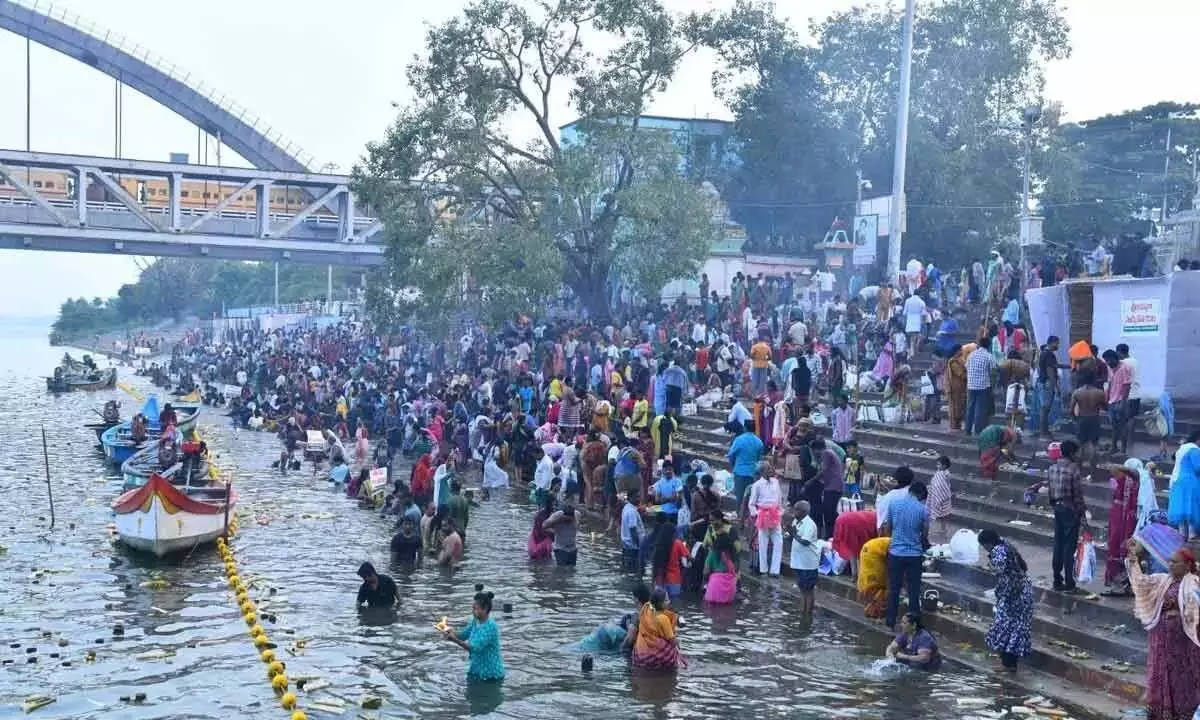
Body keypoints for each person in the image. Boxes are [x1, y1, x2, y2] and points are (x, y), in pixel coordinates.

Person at [1125, 538, 1200, 719]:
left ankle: (1184, 712)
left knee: (1181, 678)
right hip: (1160, 641)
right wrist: (1133, 558)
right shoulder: (1163, 580)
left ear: (1187, 565)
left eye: (1175, 562)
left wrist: (1181, 612)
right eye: (1170, 562)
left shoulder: (1195, 583)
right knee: (1160, 673)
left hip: (1183, 646)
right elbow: (1141, 582)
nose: (1170, 565)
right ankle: (1160, 711)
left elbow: (1195, 610)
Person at [977, 530, 1033, 672]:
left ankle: (1008, 664)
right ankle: (1007, 663)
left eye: (984, 547)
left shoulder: (998, 550)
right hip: (1019, 593)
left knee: (1008, 627)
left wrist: (990, 567)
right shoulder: (1006, 546)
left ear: (988, 544)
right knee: (1012, 627)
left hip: (1017, 596)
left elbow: (1000, 567)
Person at [883, 481, 928, 630]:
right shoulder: (923, 510)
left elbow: (888, 527)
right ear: (921, 495)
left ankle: (890, 621)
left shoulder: (894, 504)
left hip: (895, 553)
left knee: (894, 588)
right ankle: (915, 624)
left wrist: (895, 541)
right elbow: (924, 534)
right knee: (913, 590)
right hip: (914, 554)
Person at [442, 591, 506, 683]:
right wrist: (450, 631)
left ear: (485, 609)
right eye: (472, 608)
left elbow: (474, 648)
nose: (472, 611)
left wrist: (454, 640)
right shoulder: (475, 621)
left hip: (491, 676)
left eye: (475, 608)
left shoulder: (491, 627)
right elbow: (462, 636)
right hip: (476, 671)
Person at [1048, 440, 1087, 593]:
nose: (1079, 455)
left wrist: (1054, 505)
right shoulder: (1073, 469)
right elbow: (1077, 494)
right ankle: (1070, 582)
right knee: (1069, 546)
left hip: (1057, 507)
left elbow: (1051, 491)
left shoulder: (1052, 468)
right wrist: (1082, 510)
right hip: (1070, 509)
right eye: (1077, 452)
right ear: (1072, 453)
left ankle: (1057, 580)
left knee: (1058, 544)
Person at [631, 588, 684, 670]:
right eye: (666, 600)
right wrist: (677, 644)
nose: (669, 602)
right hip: (658, 656)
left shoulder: (645, 609)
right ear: (661, 604)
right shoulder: (664, 619)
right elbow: (671, 639)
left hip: (642, 654)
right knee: (677, 656)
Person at [748, 462, 784, 576]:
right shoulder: (757, 485)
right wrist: (757, 514)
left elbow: (779, 499)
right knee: (763, 542)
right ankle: (763, 569)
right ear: (762, 472)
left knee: (779, 541)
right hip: (762, 514)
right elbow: (751, 503)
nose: (771, 470)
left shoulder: (776, 482)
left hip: (774, 514)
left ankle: (775, 570)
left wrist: (780, 512)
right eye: (768, 469)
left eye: (771, 468)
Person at [789, 500, 820, 615]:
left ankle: (808, 613)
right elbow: (791, 535)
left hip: (808, 563)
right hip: (798, 562)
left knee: (808, 590)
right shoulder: (796, 522)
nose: (794, 512)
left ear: (803, 511)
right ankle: (804, 610)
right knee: (802, 588)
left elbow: (805, 542)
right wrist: (788, 530)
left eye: (796, 510)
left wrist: (794, 534)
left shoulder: (810, 524)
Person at [727, 421, 765, 514]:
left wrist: (733, 466)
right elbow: (759, 458)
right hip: (753, 473)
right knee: (751, 497)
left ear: (745, 428)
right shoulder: (759, 442)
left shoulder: (739, 439)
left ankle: (739, 516)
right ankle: (748, 517)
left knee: (740, 497)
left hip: (740, 472)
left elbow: (731, 455)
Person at [1168, 442, 1200, 542]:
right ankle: (1191, 533)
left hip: (1177, 480)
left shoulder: (1181, 449)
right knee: (1191, 505)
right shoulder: (1194, 449)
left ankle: (1182, 533)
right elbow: (1198, 467)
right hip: (1190, 480)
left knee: (1181, 506)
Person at [650, 518, 689, 600]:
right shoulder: (678, 543)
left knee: (659, 604)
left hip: (659, 579)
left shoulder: (658, 545)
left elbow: (654, 563)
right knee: (674, 604)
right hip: (674, 580)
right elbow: (689, 557)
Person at [964, 343, 995, 436]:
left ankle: (967, 430)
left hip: (970, 385)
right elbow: (993, 370)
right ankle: (978, 430)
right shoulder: (989, 356)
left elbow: (966, 366)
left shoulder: (971, 355)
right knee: (979, 409)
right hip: (982, 386)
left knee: (970, 408)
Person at [857, 536, 892, 618]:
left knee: (870, 580)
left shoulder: (896, 543)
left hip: (867, 550)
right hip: (873, 554)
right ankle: (873, 610)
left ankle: (871, 608)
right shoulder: (899, 546)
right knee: (878, 583)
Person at [702, 530, 738, 605]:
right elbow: (735, 569)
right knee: (728, 611)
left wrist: (704, 582)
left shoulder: (712, 552)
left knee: (712, 611)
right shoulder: (732, 552)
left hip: (715, 584)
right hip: (730, 585)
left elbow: (706, 571)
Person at [927, 456, 953, 543]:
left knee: (944, 514)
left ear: (945, 466)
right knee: (940, 514)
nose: (937, 466)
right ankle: (942, 528)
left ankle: (943, 528)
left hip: (944, 497)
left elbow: (944, 485)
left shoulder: (946, 473)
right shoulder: (939, 472)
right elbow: (935, 482)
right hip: (937, 495)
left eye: (939, 464)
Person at [620, 489, 646, 575]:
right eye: (637, 497)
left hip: (627, 546)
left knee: (628, 571)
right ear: (630, 498)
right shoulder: (631, 511)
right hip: (633, 547)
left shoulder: (626, 508)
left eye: (639, 496)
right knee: (635, 572)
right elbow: (633, 530)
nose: (639, 499)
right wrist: (639, 546)